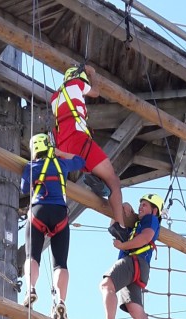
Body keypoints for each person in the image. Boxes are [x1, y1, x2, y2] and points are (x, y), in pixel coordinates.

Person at [51, 63, 127, 240]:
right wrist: (93, 74)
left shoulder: (55, 97)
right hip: (79, 141)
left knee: (98, 172)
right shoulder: (76, 83)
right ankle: (119, 225)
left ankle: (95, 178)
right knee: (114, 180)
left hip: (64, 146)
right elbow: (95, 92)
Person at [21, 132, 87, 319]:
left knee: (32, 256)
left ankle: (31, 289)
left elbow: (24, 188)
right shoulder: (62, 164)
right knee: (60, 263)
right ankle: (61, 301)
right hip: (60, 214)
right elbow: (80, 161)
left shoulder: (31, 166)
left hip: (39, 211)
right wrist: (59, 153)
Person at [100, 194, 163, 319]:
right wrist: (123, 207)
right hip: (139, 269)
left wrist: (124, 245)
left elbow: (146, 237)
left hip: (133, 261)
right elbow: (113, 226)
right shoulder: (136, 226)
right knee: (134, 307)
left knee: (106, 285)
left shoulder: (150, 220)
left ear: (154, 210)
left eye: (145, 205)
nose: (141, 207)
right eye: (140, 204)